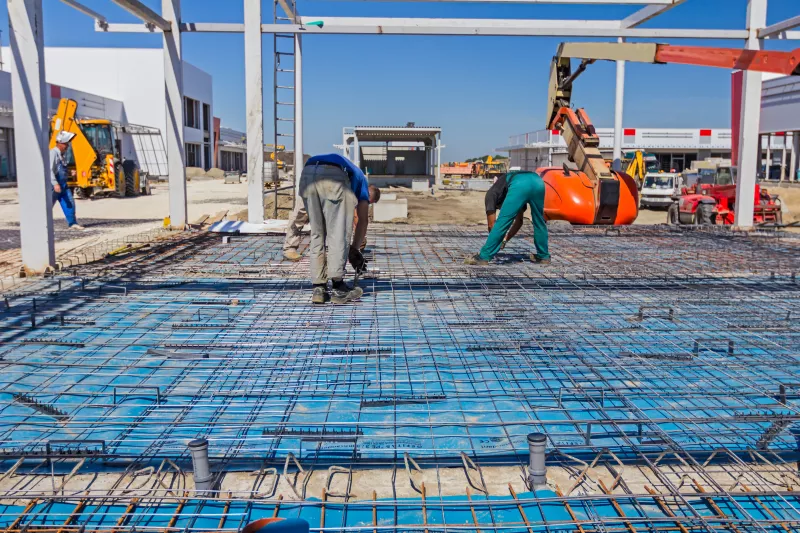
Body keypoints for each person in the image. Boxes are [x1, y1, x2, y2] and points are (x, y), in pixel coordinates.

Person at [298, 153, 378, 305]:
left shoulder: (353, 172)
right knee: (338, 233)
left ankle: (319, 288)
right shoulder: (361, 181)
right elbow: (362, 221)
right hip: (332, 178)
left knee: (317, 233)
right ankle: (338, 288)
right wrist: (354, 249)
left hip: (307, 173)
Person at [465, 170, 549, 265]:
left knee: (502, 222)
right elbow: (519, 221)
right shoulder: (509, 189)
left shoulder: (491, 195)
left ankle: (484, 257)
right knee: (539, 221)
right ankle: (543, 256)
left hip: (520, 184)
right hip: (538, 181)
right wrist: (505, 240)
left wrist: (499, 242)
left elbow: (492, 225)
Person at [50, 131, 84, 230]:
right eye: (66, 144)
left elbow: (61, 170)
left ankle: (72, 223)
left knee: (70, 203)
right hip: (54, 186)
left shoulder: (62, 155)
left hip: (63, 185)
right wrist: (55, 184)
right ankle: (41, 224)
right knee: (47, 207)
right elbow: (49, 170)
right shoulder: (53, 153)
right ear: (59, 143)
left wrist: (69, 173)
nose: (67, 146)